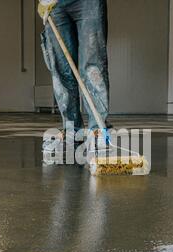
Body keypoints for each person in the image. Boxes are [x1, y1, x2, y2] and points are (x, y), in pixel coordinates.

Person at [38, 0, 111, 151]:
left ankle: (97, 130)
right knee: (61, 69)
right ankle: (72, 131)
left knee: (92, 65)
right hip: (54, 4)